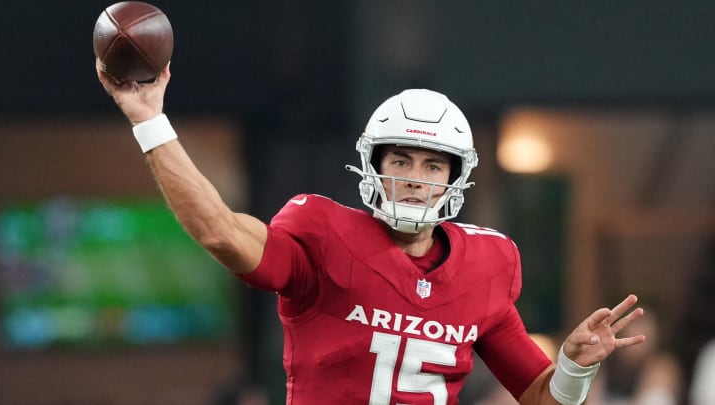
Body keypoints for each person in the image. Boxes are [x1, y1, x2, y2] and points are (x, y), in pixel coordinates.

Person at [95, 60, 646, 405]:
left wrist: (571, 368)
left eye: (433, 166)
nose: (413, 179)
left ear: (456, 178)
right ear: (372, 165)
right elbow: (219, 232)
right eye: (401, 160)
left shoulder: (489, 263)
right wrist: (149, 118)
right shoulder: (321, 232)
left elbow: (539, 398)